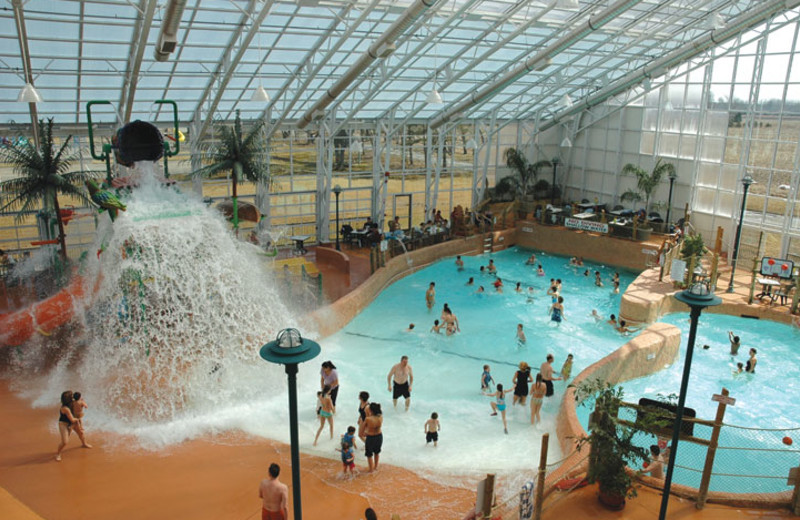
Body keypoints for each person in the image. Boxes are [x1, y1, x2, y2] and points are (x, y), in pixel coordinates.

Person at [55, 390, 90, 461]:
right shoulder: (65, 408)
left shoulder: (72, 402)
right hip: (64, 424)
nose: (73, 397)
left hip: (72, 422)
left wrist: (81, 401)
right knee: (65, 441)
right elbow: (72, 419)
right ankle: (58, 454)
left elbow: (79, 403)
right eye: (71, 396)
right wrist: (79, 421)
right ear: (68, 399)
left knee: (81, 433)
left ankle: (84, 444)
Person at [364, 402, 383, 472]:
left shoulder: (368, 419)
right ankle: (376, 467)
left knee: (369, 454)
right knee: (377, 452)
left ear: (371, 410)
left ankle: (371, 469)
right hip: (379, 436)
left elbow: (362, 431)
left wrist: (365, 433)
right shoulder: (381, 417)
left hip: (371, 437)